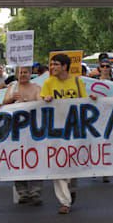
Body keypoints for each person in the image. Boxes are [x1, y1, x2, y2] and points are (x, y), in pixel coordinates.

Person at [41, 53, 97, 214]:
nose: (52, 68)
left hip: (74, 129)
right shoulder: (49, 82)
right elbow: (41, 100)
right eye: (51, 65)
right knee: (58, 163)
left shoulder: (77, 82)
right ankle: (64, 202)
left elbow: (83, 102)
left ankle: (70, 189)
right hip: (56, 130)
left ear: (64, 66)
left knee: (71, 163)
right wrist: (45, 98)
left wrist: (92, 99)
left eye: (55, 64)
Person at [2, 66, 43, 205]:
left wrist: (28, 104)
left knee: (36, 159)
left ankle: (36, 191)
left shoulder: (36, 87)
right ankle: (23, 192)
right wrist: (12, 99)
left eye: (25, 72)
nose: (23, 74)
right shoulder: (12, 88)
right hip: (16, 131)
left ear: (30, 74)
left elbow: (40, 103)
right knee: (18, 160)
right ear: (16, 74)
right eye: (20, 72)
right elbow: (3, 104)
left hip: (33, 129)